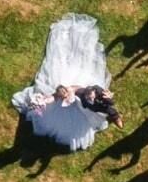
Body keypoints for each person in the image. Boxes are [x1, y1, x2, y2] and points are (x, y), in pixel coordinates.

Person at [11, 14, 114, 152]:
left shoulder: (83, 91)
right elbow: (53, 97)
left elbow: (80, 90)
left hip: (80, 105)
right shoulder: (60, 95)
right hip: (67, 107)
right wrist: (45, 101)